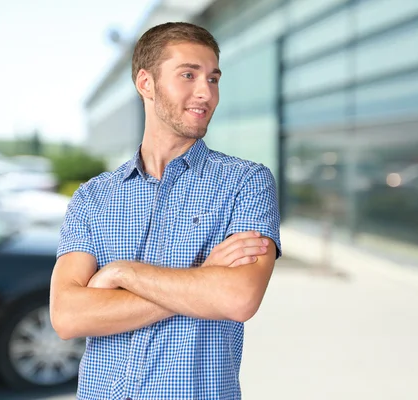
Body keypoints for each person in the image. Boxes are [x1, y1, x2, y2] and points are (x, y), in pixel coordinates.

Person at [49, 22, 281, 400]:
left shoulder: (247, 182)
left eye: (213, 78)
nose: (205, 93)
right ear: (146, 83)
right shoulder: (93, 197)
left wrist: (122, 272)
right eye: (188, 75)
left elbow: (238, 298)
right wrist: (202, 280)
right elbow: (68, 316)